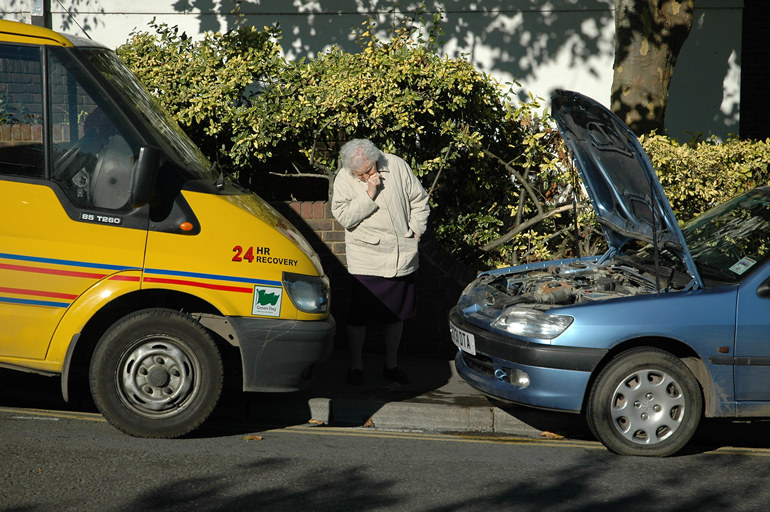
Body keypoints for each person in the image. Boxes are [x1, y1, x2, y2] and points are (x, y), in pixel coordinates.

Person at [331, 139, 430, 386]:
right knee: (359, 316)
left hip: (400, 255)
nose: (366, 176)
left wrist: (416, 229)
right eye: (360, 175)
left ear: (375, 158)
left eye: (369, 171)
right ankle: (356, 366)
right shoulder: (344, 178)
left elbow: (419, 200)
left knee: (396, 315)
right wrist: (368, 194)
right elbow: (344, 217)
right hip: (366, 258)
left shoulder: (396, 165)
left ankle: (391, 364)